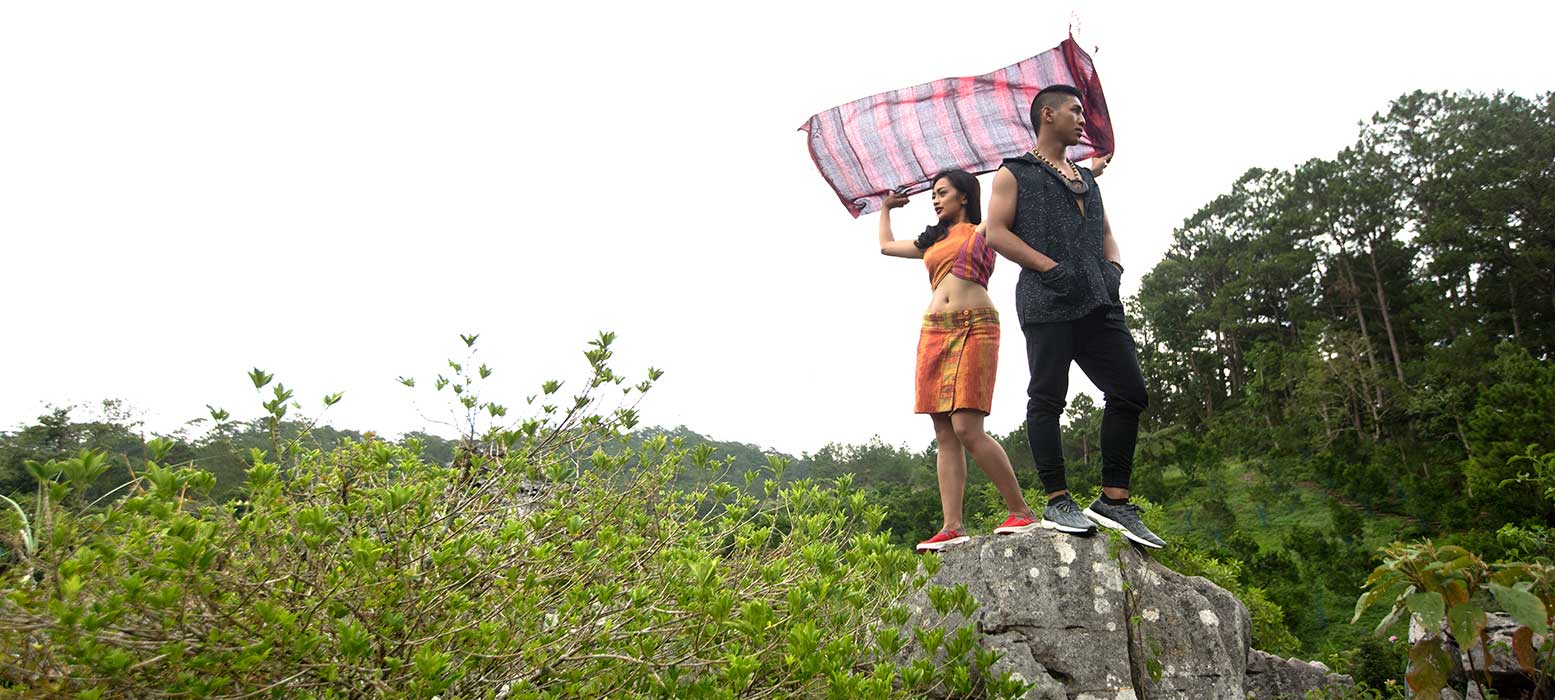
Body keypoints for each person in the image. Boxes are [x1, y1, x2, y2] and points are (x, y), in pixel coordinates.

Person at [980, 85, 1167, 549]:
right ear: (1048, 114)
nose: (1083, 119)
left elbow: (1107, 235)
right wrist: (1050, 268)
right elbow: (996, 234)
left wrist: (1115, 268)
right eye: (1075, 110)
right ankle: (1057, 498)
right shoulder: (1014, 173)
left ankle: (1113, 500)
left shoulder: (1087, 178)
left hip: (1099, 301)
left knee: (1129, 392)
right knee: (1048, 398)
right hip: (1048, 301)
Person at [876, 170, 1041, 552]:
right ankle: (952, 526)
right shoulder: (931, 241)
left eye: (942, 193)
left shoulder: (984, 228)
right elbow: (885, 246)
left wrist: (1086, 171)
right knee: (943, 432)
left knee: (967, 426)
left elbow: (1021, 195)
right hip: (934, 330)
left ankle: (1020, 511)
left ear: (964, 196)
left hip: (976, 326)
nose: (935, 200)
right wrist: (885, 208)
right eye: (933, 195)